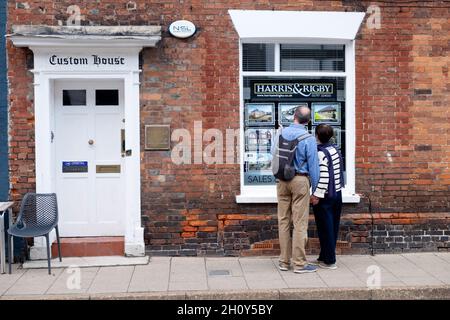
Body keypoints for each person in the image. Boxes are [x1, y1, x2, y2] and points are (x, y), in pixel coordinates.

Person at [272, 106, 320, 274]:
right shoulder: (308, 138)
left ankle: (284, 262)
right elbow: (314, 165)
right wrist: (316, 189)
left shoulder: (281, 133)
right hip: (300, 180)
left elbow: (273, 153)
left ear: (294, 116)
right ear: (308, 121)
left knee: (283, 220)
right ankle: (299, 264)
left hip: (282, 180)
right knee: (300, 223)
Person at [310, 124, 344, 270]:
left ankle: (330, 261)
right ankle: (324, 256)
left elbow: (324, 176)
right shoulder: (334, 149)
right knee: (332, 227)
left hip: (326, 196)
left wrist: (316, 195)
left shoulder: (320, 153)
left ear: (317, 135)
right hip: (337, 193)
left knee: (325, 229)